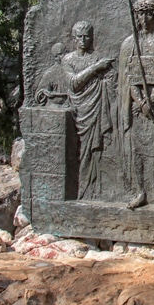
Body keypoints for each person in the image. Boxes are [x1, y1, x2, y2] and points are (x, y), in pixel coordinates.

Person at [117, 0, 154, 210]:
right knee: (138, 152)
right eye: (141, 14)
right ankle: (140, 191)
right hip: (137, 109)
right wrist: (140, 101)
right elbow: (127, 79)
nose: (145, 18)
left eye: (150, 13)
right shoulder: (130, 44)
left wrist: (151, 101)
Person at [61, 22, 115, 200]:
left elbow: (110, 81)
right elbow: (74, 84)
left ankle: (94, 191)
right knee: (79, 151)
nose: (83, 40)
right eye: (79, 37)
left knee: (96, 151)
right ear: (74, 38)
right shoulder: (68, 60)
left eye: (87, 36)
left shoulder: (97, 57)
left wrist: (109, 78)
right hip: (79, 111)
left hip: (96, 109)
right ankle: (79, 190)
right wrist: (96, 69)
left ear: (92, 37)